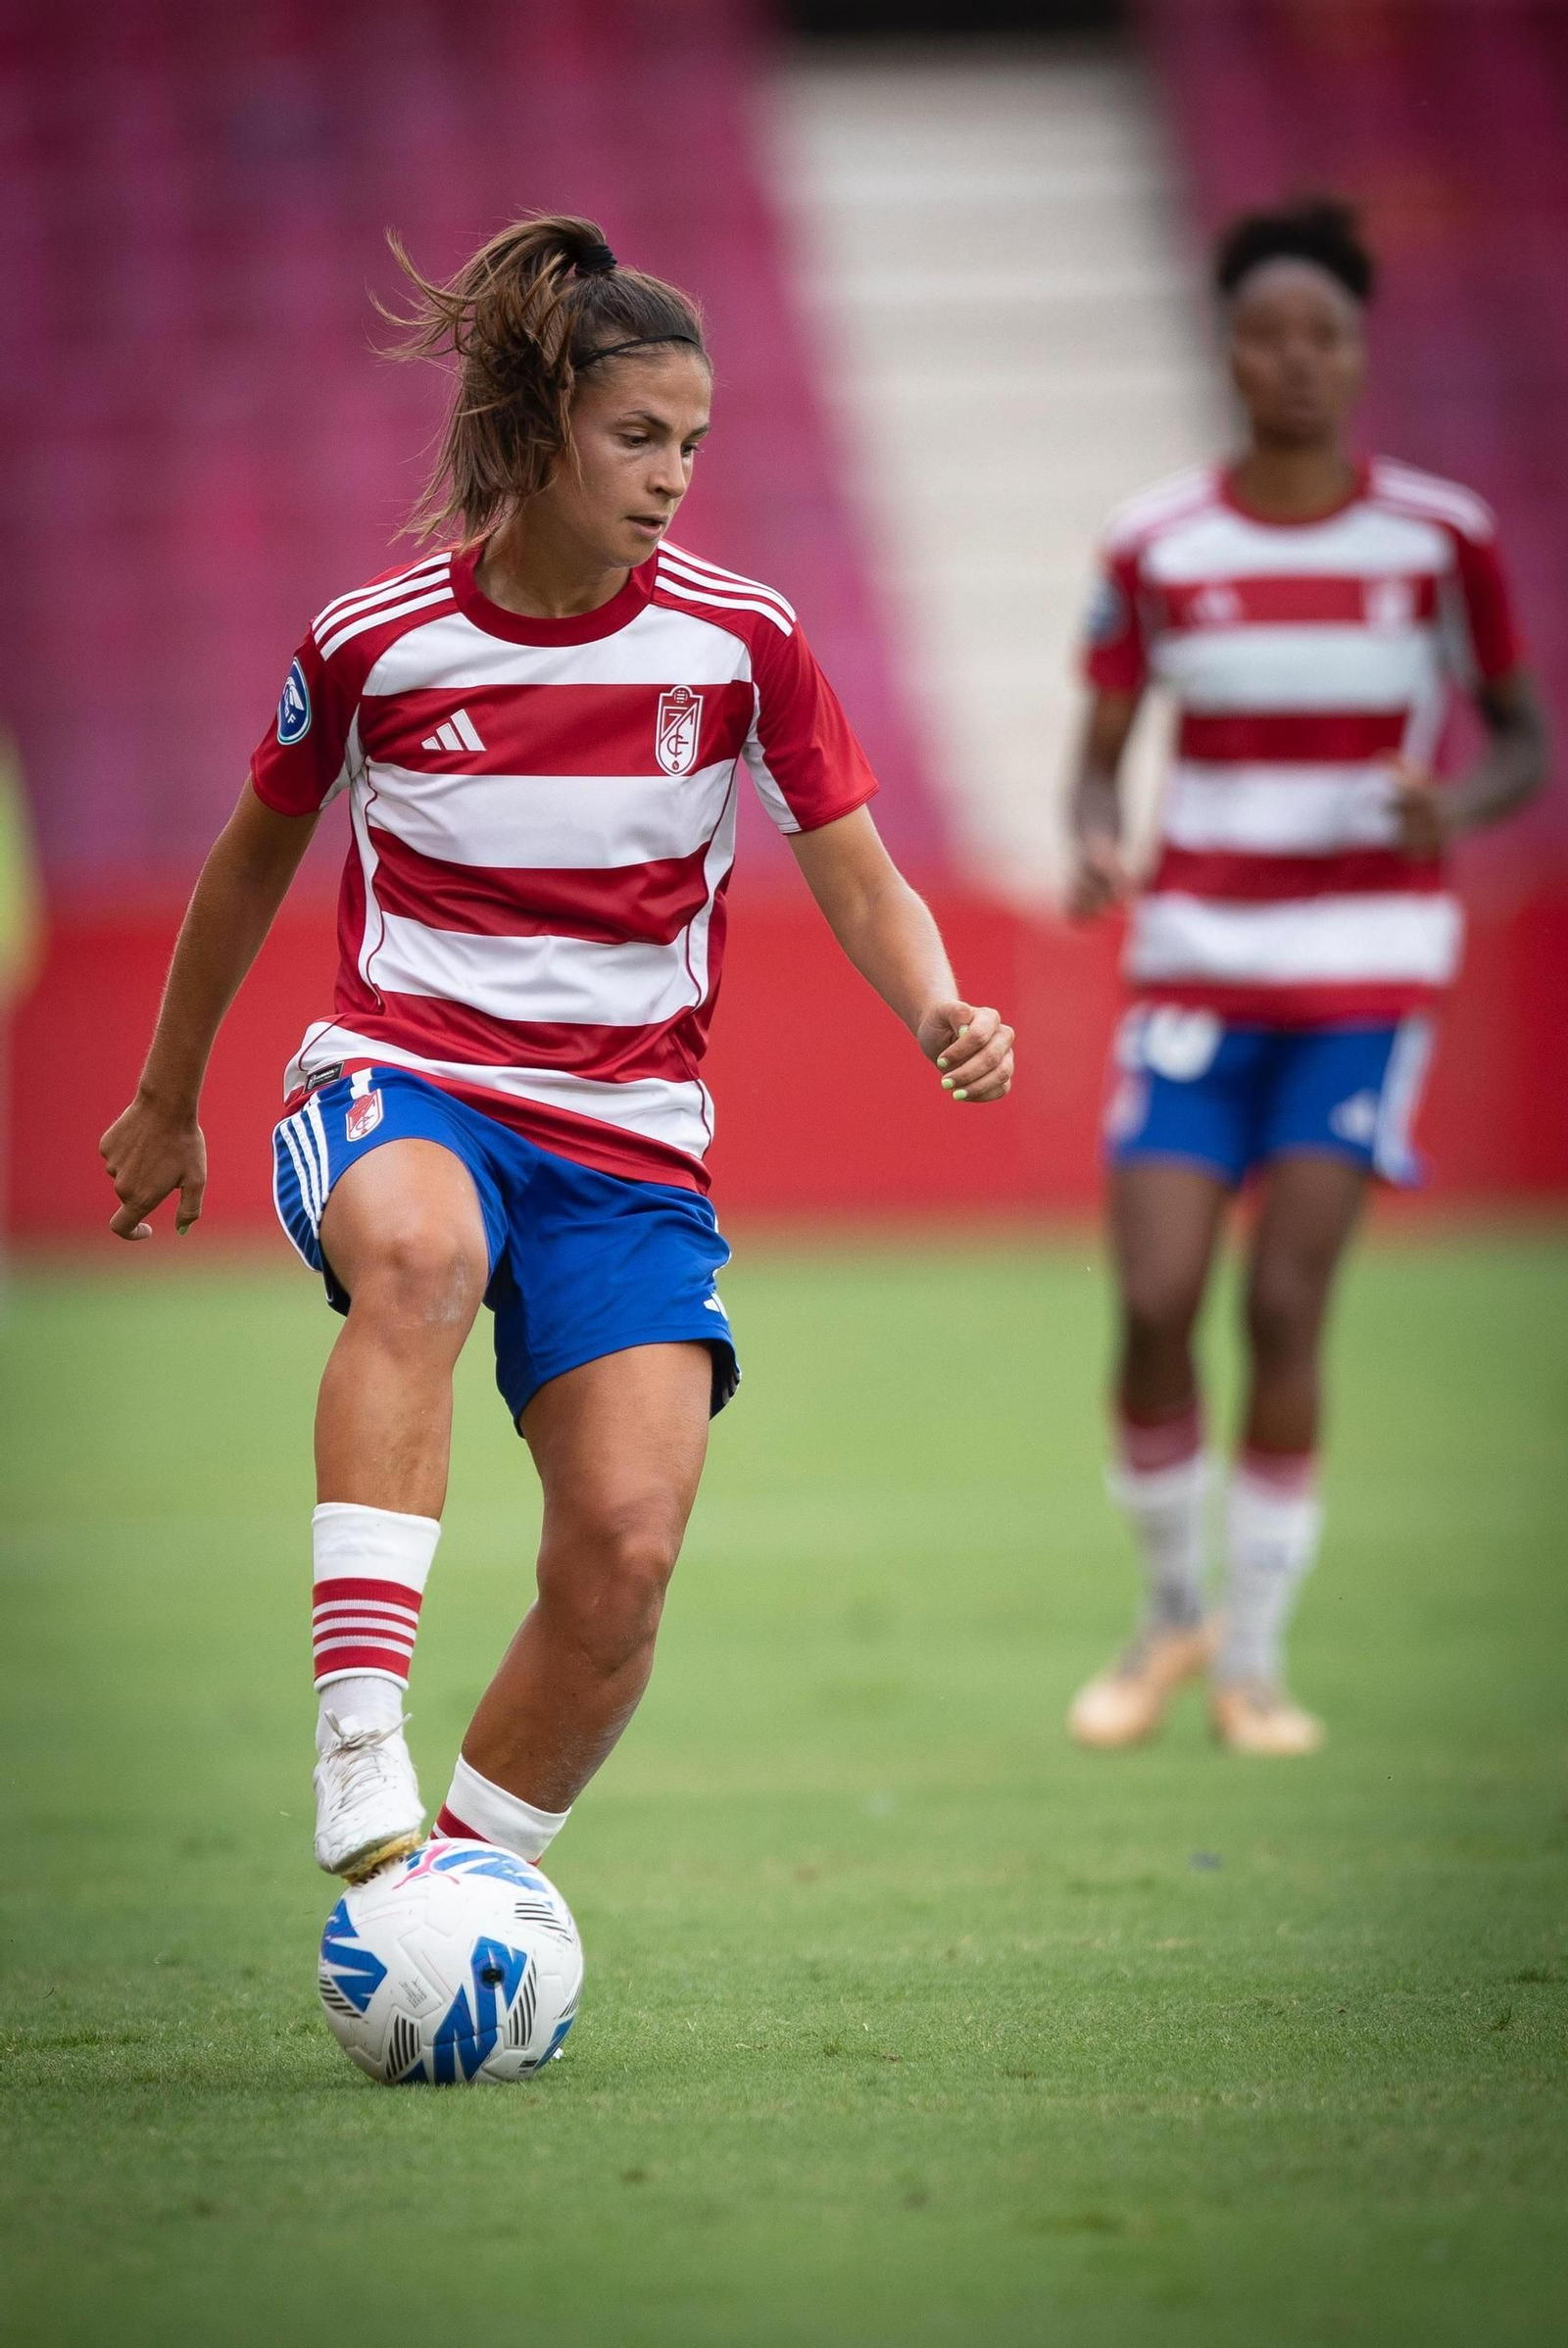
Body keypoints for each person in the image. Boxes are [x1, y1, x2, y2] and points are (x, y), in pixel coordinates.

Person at [99, 215, 1015, 1881]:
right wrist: (169, 1097)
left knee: (625, 1555)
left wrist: (940, 1003)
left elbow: (862, 876)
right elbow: (247, 864)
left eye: (693, 444)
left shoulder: (743, 641)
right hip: (408, 1079)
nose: (672, 476)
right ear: (537, 435)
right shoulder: (373, 642)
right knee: (424, 1254)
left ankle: (453, 1893)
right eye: (637, 437)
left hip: (626, 1140)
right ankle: (357, 1729)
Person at [1063, 198, 1546, 1756]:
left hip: (1361, 975)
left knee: (1284, 1306)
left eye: (1325, 334)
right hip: (1196, 967)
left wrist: (1453, 802)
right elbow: (1098, 763)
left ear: (1358, 351)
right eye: (1269, 333)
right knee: (1151, 1303)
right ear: (1228, 350)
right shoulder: (1156, 545)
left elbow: (1524, 738)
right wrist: (1094, 844)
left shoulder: (1439, 538)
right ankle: (1165, 1622)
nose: (1298, 360)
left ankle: (1256, 1666)